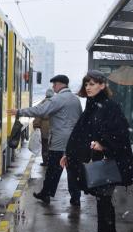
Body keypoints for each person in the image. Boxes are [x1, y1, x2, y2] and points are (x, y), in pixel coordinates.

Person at [61, 70, 133, 232]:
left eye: (93, 83)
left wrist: (104, 144)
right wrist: (67, 154)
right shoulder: (92, 105)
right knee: (103, 201)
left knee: (103, 202)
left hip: (108, 162)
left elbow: (121, 134)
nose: (88, 87)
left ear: (103, 85)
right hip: (98, 163)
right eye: (86, 84)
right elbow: (80, 133)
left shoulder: (109, 106)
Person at [8, 75, 82, 205]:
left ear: (60, 84)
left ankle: (46, 194)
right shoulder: (75, 99)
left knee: (53, 169)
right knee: (73, 171)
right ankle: (75, 197)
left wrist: (20, 111)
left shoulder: (58, 99)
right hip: (74, 141)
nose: (53, 87)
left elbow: (41, 110)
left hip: (59, 141)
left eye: (54, 85)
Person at [32, 88, 54, 166]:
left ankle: (45, 161)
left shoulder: (43, 103)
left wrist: (36, 125)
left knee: (45, 145)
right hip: (53, 128)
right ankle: (52, 161)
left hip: (44, 128)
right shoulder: (55, 102)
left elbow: (38, 115)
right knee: (52, 146)